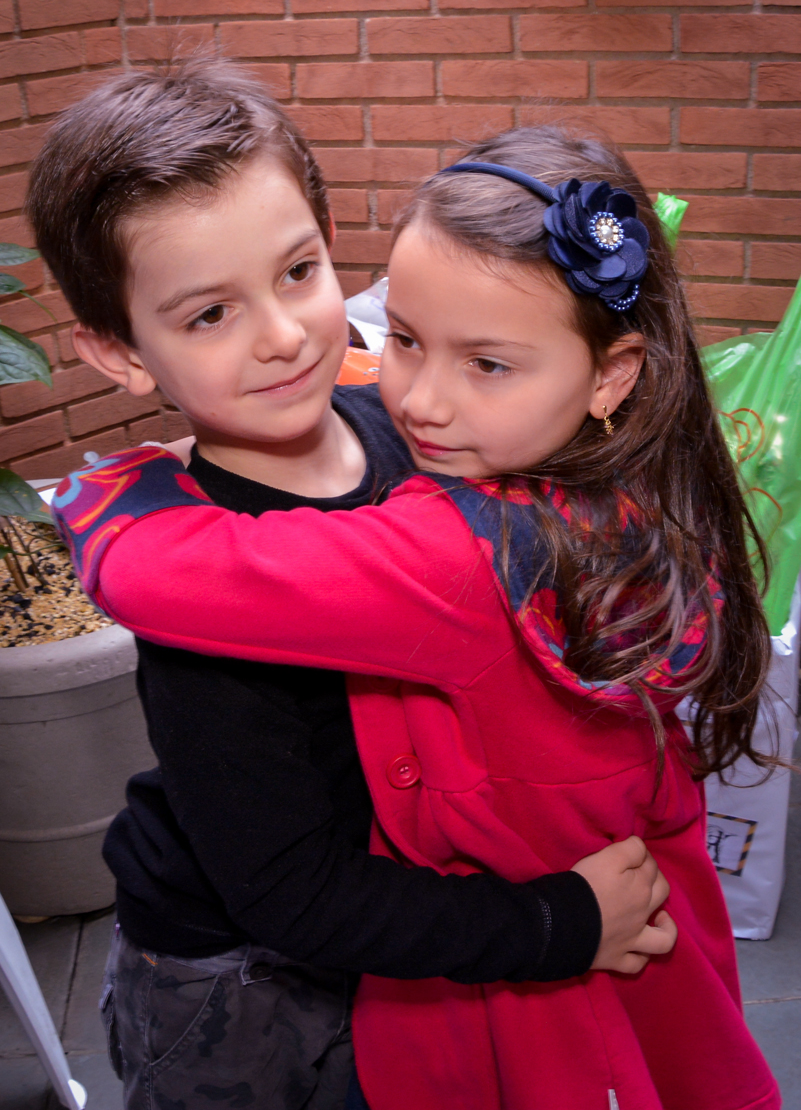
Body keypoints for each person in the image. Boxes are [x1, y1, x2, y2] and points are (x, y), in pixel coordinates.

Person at [50, 122, 779, 1110]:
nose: (421, 401)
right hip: (252, 973)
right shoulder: (619, 477)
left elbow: (156, 570)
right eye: (402, 337)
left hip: (450, 943)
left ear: (611, 374)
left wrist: (114, 490)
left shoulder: (459, 544)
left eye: (486, 364)